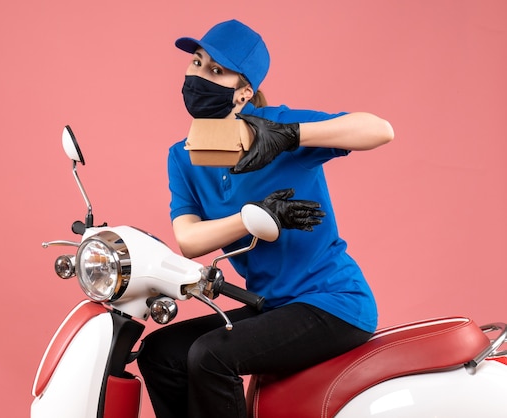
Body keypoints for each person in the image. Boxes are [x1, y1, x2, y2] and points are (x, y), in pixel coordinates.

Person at [137, 19, 394, 418]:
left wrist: (290, 135)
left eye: (217, 71)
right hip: (272, 305)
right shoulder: (183, 155)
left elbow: (379, 130)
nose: (198, 75)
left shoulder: (278, 126)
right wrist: (252, 217)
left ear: (243, 93)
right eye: (197, 62)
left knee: (210, 356)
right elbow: (189, 239)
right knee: (161, 352)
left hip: (332, 303)